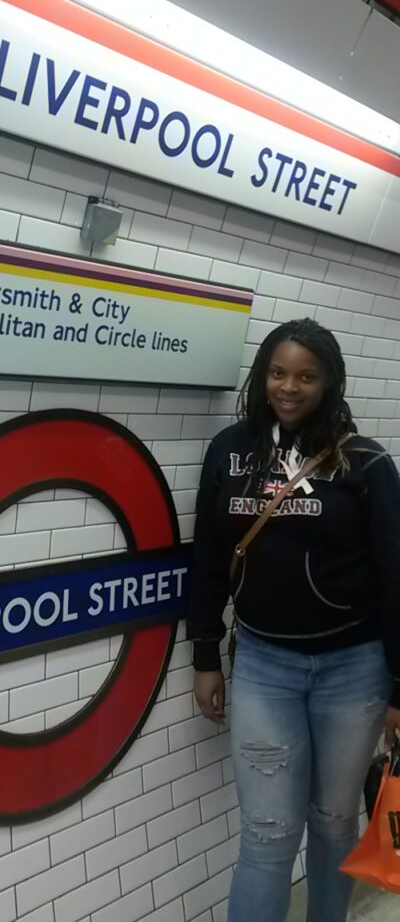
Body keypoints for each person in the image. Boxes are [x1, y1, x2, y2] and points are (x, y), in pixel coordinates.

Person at [187, 317, 400, 922]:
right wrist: (204, 652)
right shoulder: (231, 451)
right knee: (267, 833)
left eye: (307, 376)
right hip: (263, 666)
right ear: (262, 375)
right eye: (278, 373)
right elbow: (207, 554)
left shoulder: (363, 462)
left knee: (333, 821)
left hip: (355, 672)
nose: (289, 387)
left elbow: (396, 576)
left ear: (329, 382)